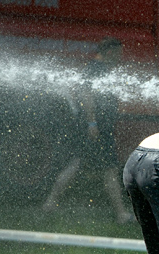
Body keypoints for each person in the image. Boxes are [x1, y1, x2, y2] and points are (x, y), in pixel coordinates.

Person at [43, 37, 133, 223]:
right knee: (109, 169)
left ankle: (50, 203)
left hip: (96, 128)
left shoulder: (98, 69)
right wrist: (92, 124)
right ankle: (121, 214)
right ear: (109, 52)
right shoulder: (96, 69)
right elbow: (86, 94)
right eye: (118, 53)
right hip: (96, 129)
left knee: (78, 164)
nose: (120, 57)